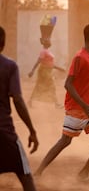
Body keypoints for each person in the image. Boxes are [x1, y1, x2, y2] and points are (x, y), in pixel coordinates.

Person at [34, 24, 89, 183]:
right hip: (77, 109)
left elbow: (85, 81)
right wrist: (84, 105)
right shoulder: (79, 57)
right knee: (65, 141)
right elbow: (68, 84)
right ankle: (37, 173)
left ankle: (83, 174)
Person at [0, 26, 39, 191]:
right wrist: (32, 130)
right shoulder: (9, 66)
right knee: (26, 177)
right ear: (3, 44)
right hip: (4, 132)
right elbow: (17, 99)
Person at [28, 37, 65, 108]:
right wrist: (32, 71)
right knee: (51, 87)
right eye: (48, 41)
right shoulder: (43, 51)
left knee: (39, 87)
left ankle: (30, 101)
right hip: (44, 72)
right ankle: (56, 104)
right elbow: (38, 61)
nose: (50, 41)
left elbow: (50, 64)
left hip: (47, 71)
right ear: (45, 43)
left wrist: (59, 68)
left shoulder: (47, 51)